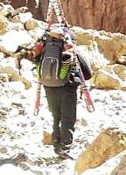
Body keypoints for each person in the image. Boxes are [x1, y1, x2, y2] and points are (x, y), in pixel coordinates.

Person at [18, 26, 92, 157]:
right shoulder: (72, 52)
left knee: (56, 116)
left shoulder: (45, 51)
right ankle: (64, 148)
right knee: (68, 118)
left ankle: (56, 143)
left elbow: (35, 61)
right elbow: (87, 74)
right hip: (67, 87)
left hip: (48, 86)